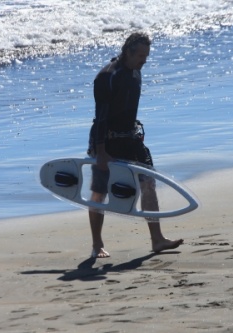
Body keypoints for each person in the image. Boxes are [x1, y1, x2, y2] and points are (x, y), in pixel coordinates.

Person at [87, 32, 184, 258]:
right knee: (100, 191)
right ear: (128, 52)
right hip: (106, 140)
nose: (145, 60)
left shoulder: (135, 71)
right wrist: (101, 152)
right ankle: (96, 244)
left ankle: (157, 239)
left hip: (130, 138)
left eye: (146, 55)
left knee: (148, 183)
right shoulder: (107, 76)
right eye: (141, 55)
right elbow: (100, 116)